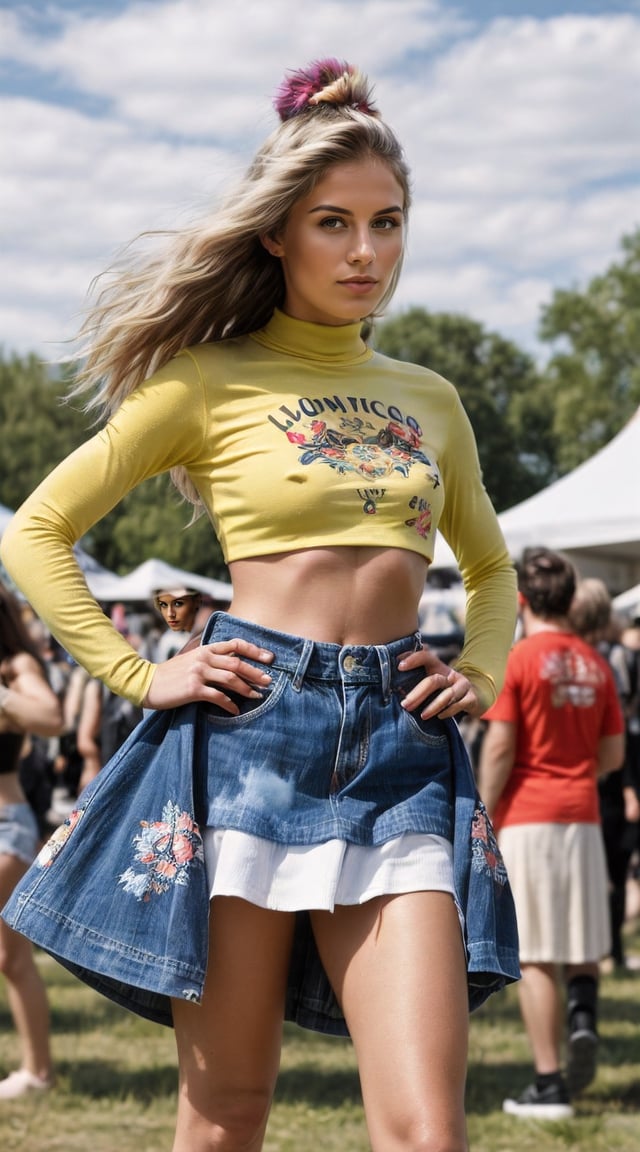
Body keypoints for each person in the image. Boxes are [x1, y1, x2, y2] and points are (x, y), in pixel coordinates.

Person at [0, 60, 519, 1152]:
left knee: (428, 1132)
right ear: (277, 232)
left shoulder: (432, 399)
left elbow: (490, 568)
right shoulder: (203, 380)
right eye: (334, 223)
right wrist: (140, 674)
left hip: (400, 751)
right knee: (228, 1116)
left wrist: (475, 668)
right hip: (246, 738)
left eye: (388, 222)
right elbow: (36, 532)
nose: (367, 252)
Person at [478, 548, 625, 1121]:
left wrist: (483, 813)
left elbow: (499, 746)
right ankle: (583, 1019)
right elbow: (612, 754)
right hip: (583, 813)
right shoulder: (595, 661)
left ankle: (549, 1085)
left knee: (537, 951)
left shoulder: (518, 659)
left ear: (521, 601)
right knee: (582, 939)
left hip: (529, 814)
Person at [0, 581, 63, 1098]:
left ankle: (37, 1072)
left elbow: (50, 718)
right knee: (11, 958)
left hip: (5, 824)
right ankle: (37, 1072)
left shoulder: (15, 667)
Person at [569, 579, 640, 972]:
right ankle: (600, 955)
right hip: (602, 778)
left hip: (582, 781)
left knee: (602, 873)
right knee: (609, 869)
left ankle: (597, 953)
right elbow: (620, 734)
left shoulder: (556, 658)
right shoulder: (605, 662)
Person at [153, 588, 203, 661]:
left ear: (197, 602)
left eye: (178, 604)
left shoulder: (208, 632)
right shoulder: (167, 639)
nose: (170, 614)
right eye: (164, 605)